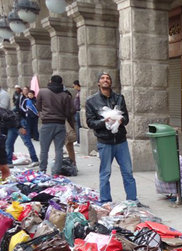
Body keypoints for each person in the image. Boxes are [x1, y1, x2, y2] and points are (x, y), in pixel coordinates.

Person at [86, 72, 143, 206]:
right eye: (102, 78)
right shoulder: (91, 101)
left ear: (111, 82)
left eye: (108, 78)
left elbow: (127, 119)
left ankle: (132, 200)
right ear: (98, 83)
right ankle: (106, 201)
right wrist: (104, 122)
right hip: (104, 142)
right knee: (105, 173)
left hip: (120, 141)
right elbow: (90, 122)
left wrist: (120, 120)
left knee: (128, 172)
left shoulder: (119, 98)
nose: (105, 80)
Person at [36, 75, 75, 175]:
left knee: (44, 149)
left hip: (46, 123)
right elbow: (69, 112)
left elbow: (38, 107)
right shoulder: (65, 95)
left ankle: (42, 170)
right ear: (61, 83)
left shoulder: (42, 92)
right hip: (60, 124)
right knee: (59, 149)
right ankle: (56, 171)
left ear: (50, 81)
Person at [73, 80, 81, 144]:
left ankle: (79, 141)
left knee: (78, 126)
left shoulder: (80, 92)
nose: (73, 87)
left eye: (74, 85)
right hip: (77, 111)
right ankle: (78, 140)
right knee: (78, 126)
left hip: (79, 111)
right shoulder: (78, 92)